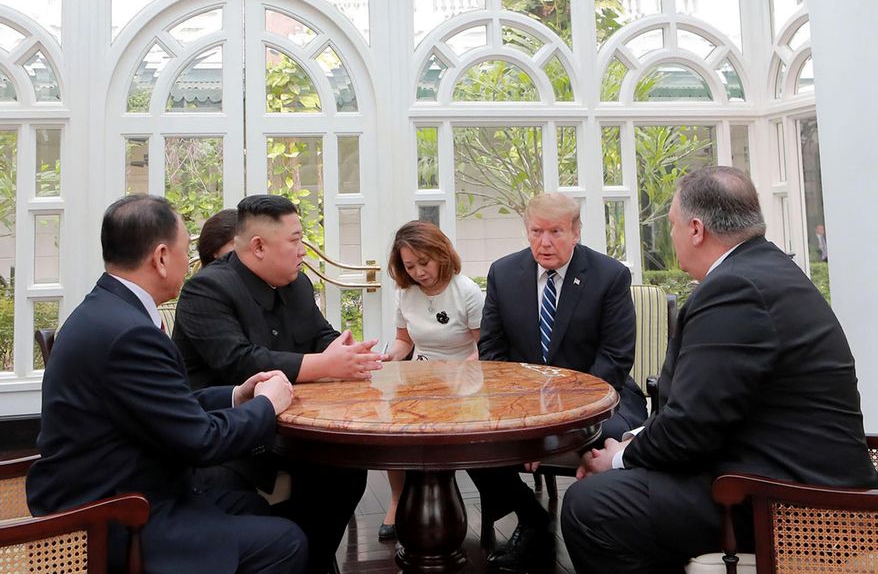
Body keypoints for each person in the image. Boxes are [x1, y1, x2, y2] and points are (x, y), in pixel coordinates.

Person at [561, 166, 878, 574]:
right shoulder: (767, 270)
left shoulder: (736, 288)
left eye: (672, 225)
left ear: (696, 229)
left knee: (592, 506)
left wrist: (618, 459)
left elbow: (691, 428)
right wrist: (630, 441)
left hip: (791, 504)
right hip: (773, 470)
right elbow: (713, 410)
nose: (672, 237)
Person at [26, 194, 307, 574]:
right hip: (113, 517)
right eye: (184, 247)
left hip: (115, 490)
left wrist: (237, 395)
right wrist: (268, 405)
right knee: (287, 543)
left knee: (253, 506)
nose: (189, 260)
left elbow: (170, 401)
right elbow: (201, 441)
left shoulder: (106, 310)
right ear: (160, 257)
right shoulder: (128, 334)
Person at [173, 194, 382, 574]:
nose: (303, 251)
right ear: (258, 246)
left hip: (294, 430)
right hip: (228, 438)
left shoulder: (296, 284)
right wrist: (324, 364)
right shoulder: (206, 290)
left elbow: (318, 334)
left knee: (348, 469)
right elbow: (240, 361)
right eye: (296, 240)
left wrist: (345, 351)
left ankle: (311, 560)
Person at [471, 192, 645, 572]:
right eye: (536, 231)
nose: (544, 242)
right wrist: (528, 420)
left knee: (609, 436)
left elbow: (614, 359)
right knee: (471, 440)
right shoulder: (503, 273)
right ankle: (532, 519)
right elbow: (493, 354)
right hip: (522, 398)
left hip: (599, 399)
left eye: (555, 232)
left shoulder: (610, 275)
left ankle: (606, 536)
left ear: (576, 231)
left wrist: (551, 424)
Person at [379, 220, 484, 540]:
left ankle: (442, 500)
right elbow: (404, 342)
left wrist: (461, 372)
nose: (418, 272)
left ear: (441, 254)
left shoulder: (466, 290)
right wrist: (388, 358)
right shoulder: (405, 293)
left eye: (424, 263)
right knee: (390, 426)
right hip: (420, 377)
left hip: (464, 379)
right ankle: (398, 499)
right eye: (409, 266)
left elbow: (486, 348)